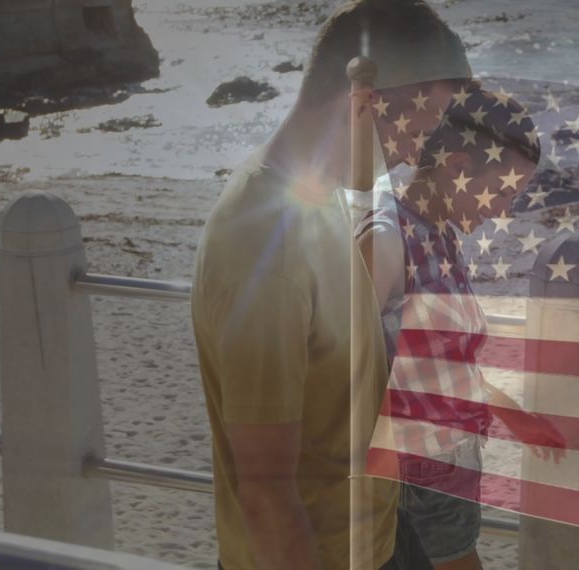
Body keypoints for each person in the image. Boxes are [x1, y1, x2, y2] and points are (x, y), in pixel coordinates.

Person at [190, 1, 472, 569]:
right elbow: (267, 495)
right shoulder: (264, 247)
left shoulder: (318, 196)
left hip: (377, 539)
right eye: (420, 131)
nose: (418, 155)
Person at [356, 78, 567, 570]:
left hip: (446, 469)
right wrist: (371, 486)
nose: (503, 210)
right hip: (415, 480)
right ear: (457, 167)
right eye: (504, 191)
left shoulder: (440, 234)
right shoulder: (387, 241)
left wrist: (511, 413)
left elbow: (439, 365)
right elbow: (348, 369)